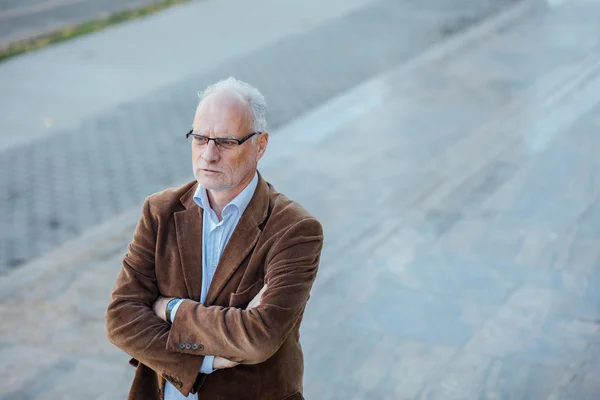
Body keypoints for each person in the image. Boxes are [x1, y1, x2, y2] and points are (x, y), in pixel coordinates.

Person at [106, 77, 324, 400]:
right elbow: (121, 317)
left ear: (260, 145)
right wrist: (203, 360)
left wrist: (172, 310)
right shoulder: (159, 212)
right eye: (199, 138)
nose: (208, 155)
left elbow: (258, 337)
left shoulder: (295, 230)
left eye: (224, 141)